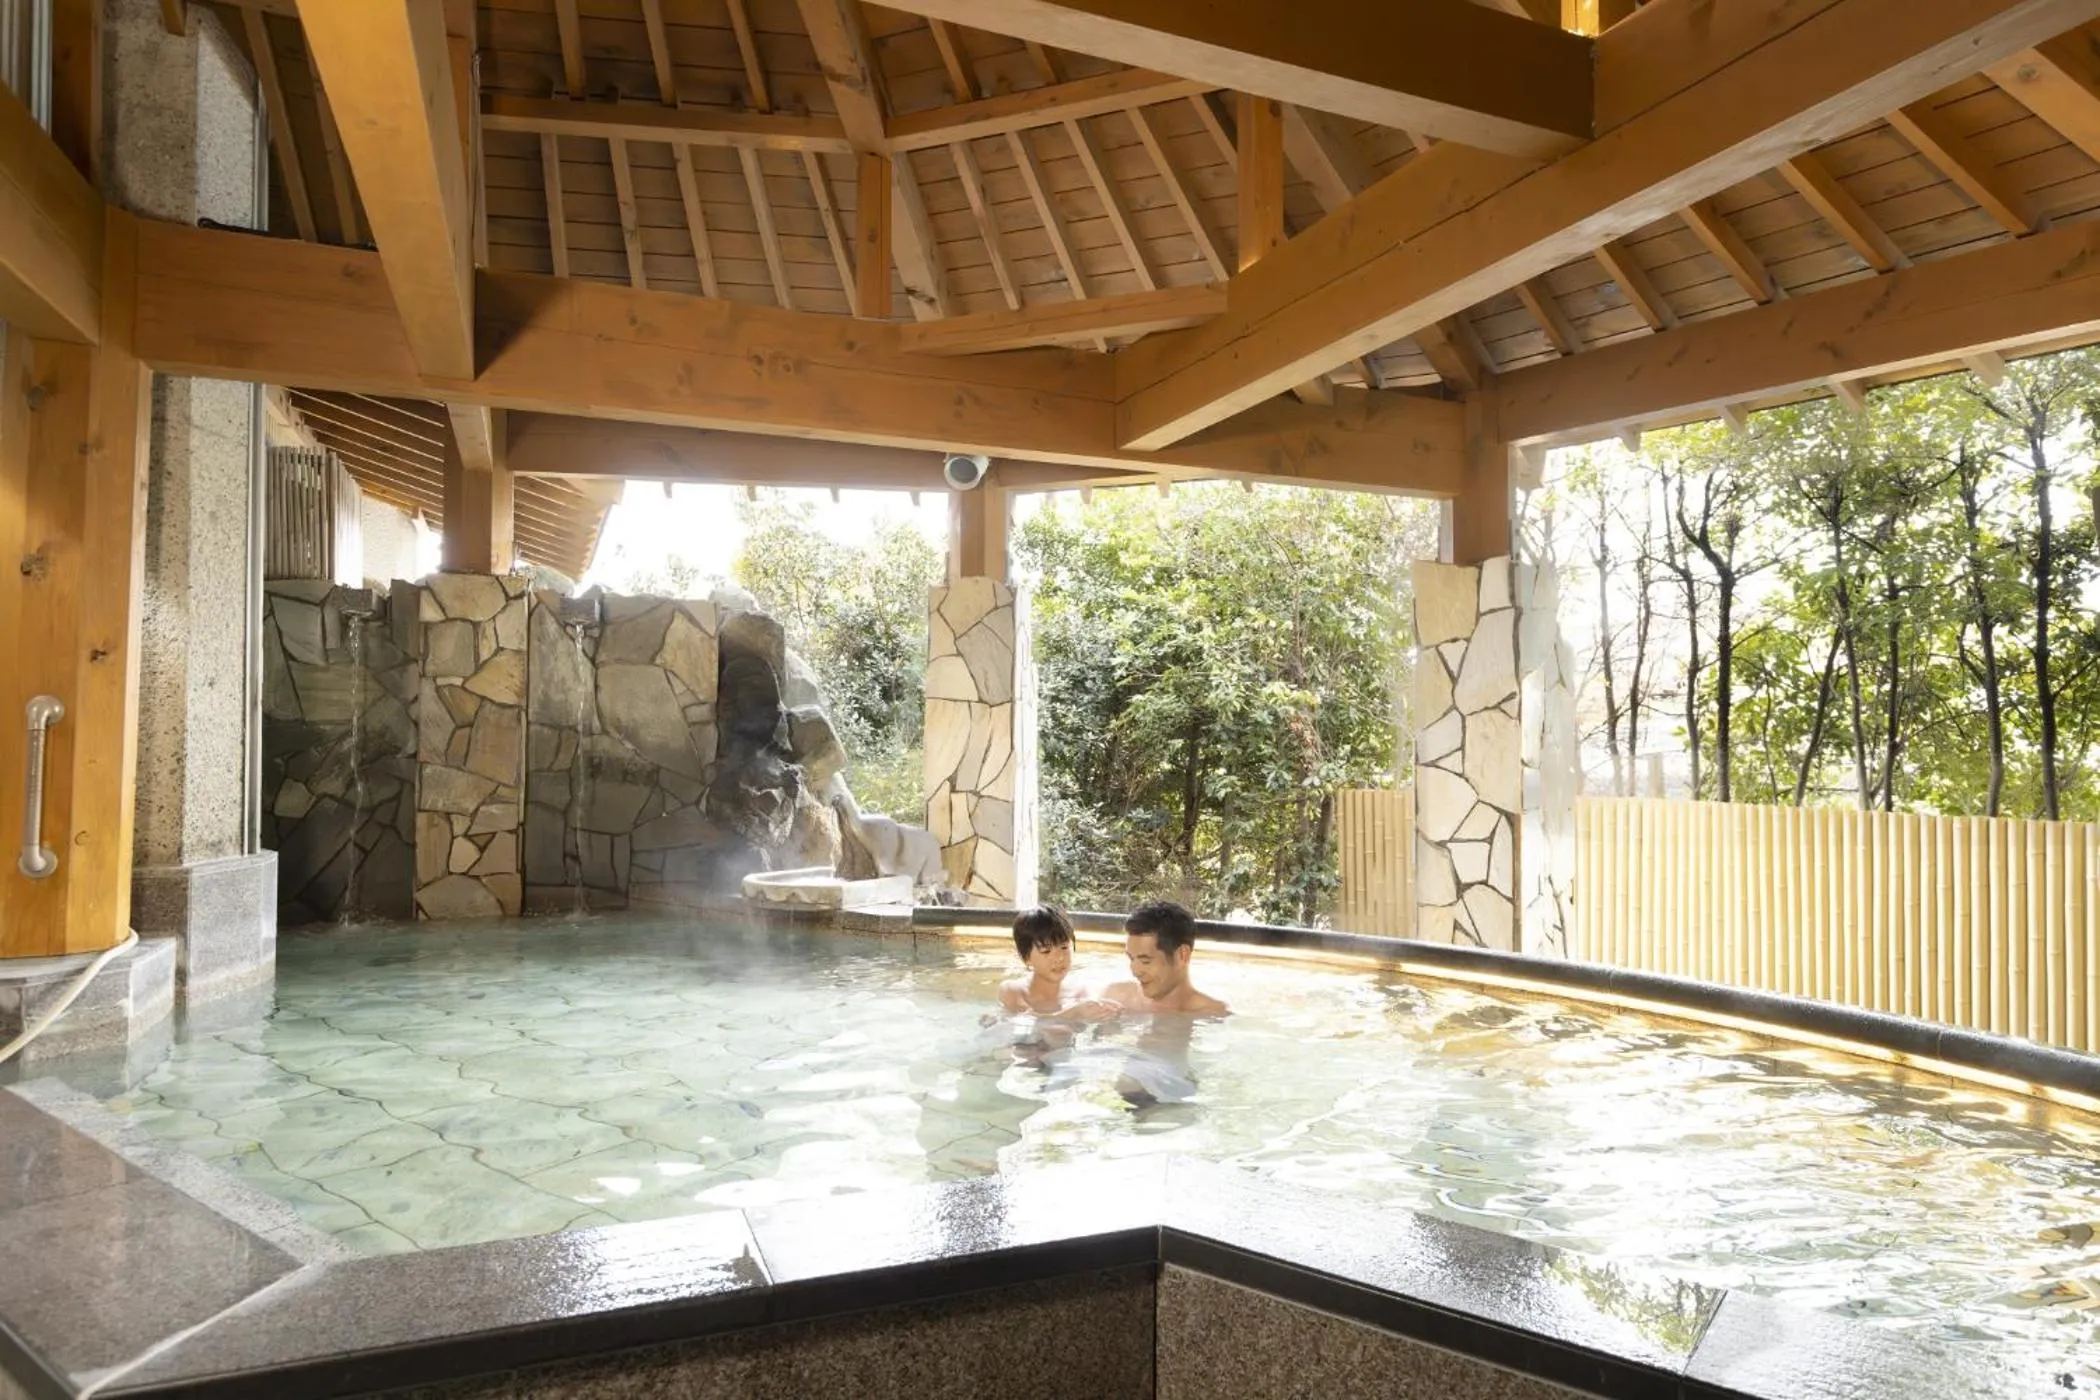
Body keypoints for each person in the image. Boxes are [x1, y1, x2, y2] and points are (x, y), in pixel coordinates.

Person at [1103, 900, 1229, 1016]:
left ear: (1182, 955)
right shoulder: (1117, 998)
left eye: (1145, 961)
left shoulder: (1212, 1015)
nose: (1135, 971)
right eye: (1131, 959)